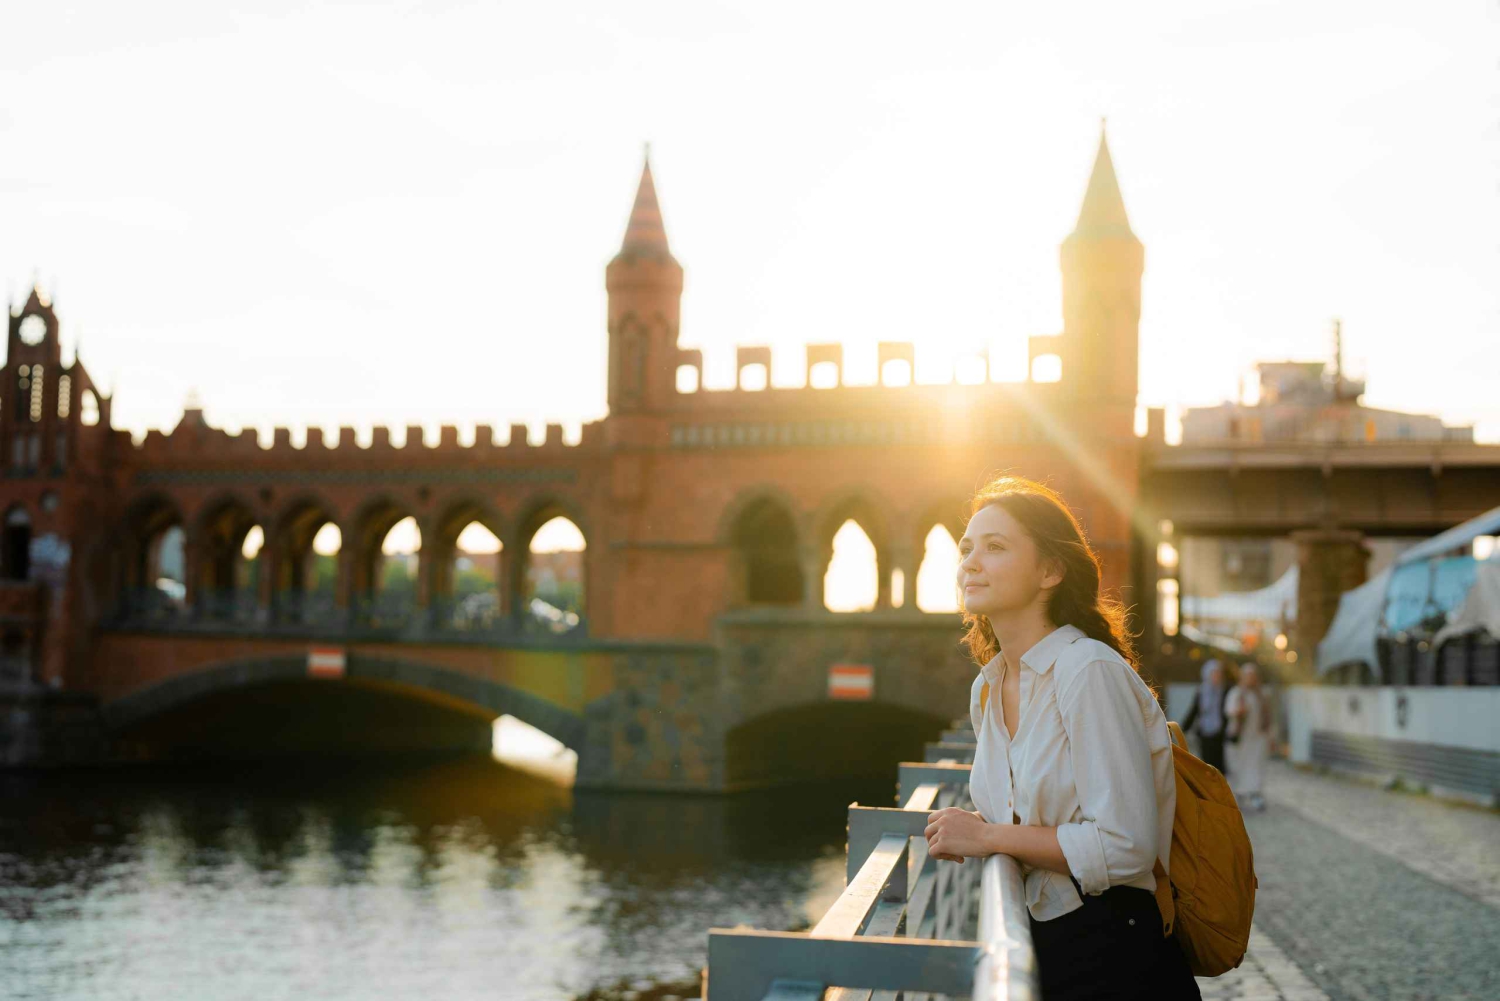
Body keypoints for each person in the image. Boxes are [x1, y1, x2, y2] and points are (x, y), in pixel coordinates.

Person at [923, 477, 1199, 1000]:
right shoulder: (989, 686)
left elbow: (1125, 846)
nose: (970, 562)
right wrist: (979, 826)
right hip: (1045, 944)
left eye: (995, 547)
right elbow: (1035, 816)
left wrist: (986, 838)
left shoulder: (1088, 670)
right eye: (966, 548)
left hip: (1116, 958)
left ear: (1050, 570)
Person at [1225, 662, 1272, 811]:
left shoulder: (1261, 694)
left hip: (1257, 738)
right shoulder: (1236, 693)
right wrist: (1239, 711)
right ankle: (1240, 794)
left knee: (1256, 767)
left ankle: (1255, 794)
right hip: (1240, 738)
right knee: (1239, 766)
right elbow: (1229, 711)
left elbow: (1267, 717)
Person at [1180, 659, 1229, 774]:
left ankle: (1219, 789)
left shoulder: (1225, 691)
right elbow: (1194, 711)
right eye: (1214, 674)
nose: (1217, 677)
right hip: (1204, 732)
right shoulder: (1201, 692)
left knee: (1220, 764)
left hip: (1220, 733)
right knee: (1207, 763)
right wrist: (1182, 728)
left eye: (1218, 674)